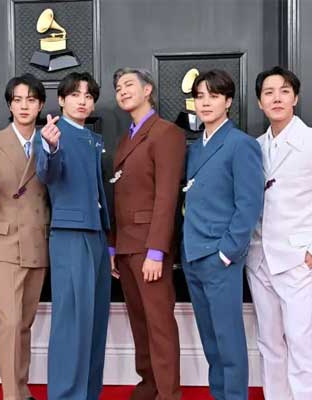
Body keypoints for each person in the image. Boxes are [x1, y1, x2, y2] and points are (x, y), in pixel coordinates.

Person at [247, 66, 312, 400]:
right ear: (260, 102)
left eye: (284, 91)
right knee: (268, 342)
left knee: (299, 339)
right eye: (268, 92)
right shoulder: (254, 147)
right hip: (258, 258)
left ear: (295, 97)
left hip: (296, 260)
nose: (276, 98)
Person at [181, 69, 264, 400]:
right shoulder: (194, 149)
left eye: (213, 96)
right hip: (193, 255)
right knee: (211, 342)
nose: (205, 103)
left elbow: (249, 205)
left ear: (228, 101)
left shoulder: (241, 144)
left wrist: (227, 252)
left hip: (219, 256)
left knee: (228, 342)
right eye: (200, 96)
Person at [0, 74, 50, 400]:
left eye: (30, 100)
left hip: (38, 238)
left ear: (40, 105)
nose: (24, 106)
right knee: (10, 322)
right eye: (17, 100)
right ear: (9, 105)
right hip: (3, 240)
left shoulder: (50, 141)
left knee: (24, 323)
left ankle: (21, 388)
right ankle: (11, 395)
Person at [110, 67, 186, 400]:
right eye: (118, 88)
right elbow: (118, 196)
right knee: (140, 322)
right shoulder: (125, 138)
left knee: (159, 324)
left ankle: (169, 393)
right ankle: (148, 385)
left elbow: (167, 196)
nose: (123, 91)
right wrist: (113, 247)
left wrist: (157, 251)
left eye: (129, 84)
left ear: (148, 90)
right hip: (126, 246)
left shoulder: (166, 133)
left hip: (149, 248)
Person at [34, 71, 111, 400]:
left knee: (95, 320)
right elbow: (47, 173)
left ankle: (89, 393)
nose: (83, 101)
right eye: (76, 95)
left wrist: (108, 239)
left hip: (97, 235)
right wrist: (51, 147)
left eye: (89, 96)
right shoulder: (53, 134)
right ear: (62, 100)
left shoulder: (93, 139)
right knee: (72, 321)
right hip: (70, 234)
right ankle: (66, 394)